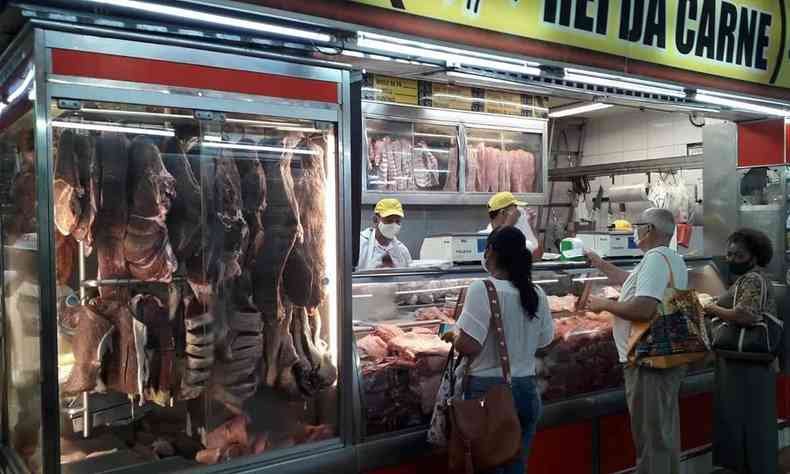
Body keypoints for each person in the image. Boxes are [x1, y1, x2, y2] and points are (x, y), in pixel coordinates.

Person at [584, 208, 687, 474]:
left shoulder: (654, 259)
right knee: (662, 434)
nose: (634, 230)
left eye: (638, 225)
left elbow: (643, 309)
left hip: (647, 359)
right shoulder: (669, 257)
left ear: (650, 230)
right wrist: (597, 261)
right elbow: (628, 281)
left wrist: (604, 304)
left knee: (650, 438)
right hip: (665, 355)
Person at [443, 226, 554, 474]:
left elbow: (470, 345)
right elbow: (545, 341)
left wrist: (452, 334)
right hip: (527, 390)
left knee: (487, 465)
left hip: (488, 393)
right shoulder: (536, 292)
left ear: (491, 251)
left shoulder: (483, 288)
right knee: (516, 466)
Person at [703, 229, 778, 474]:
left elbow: (746, 315)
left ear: (754, 257)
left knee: (749, 425)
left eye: (739, 255)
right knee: (749, 425)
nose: (732, 259)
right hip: (745, 365)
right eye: (730, 254)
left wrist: (712, 308)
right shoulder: (752, 278)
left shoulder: (753, 279)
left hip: (747, 365)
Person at [358, 198, 412, 270]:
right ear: (375, 220)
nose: (393, 225)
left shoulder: (402, 250)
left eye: (397, 221)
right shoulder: (360, 244)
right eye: (389, 220)